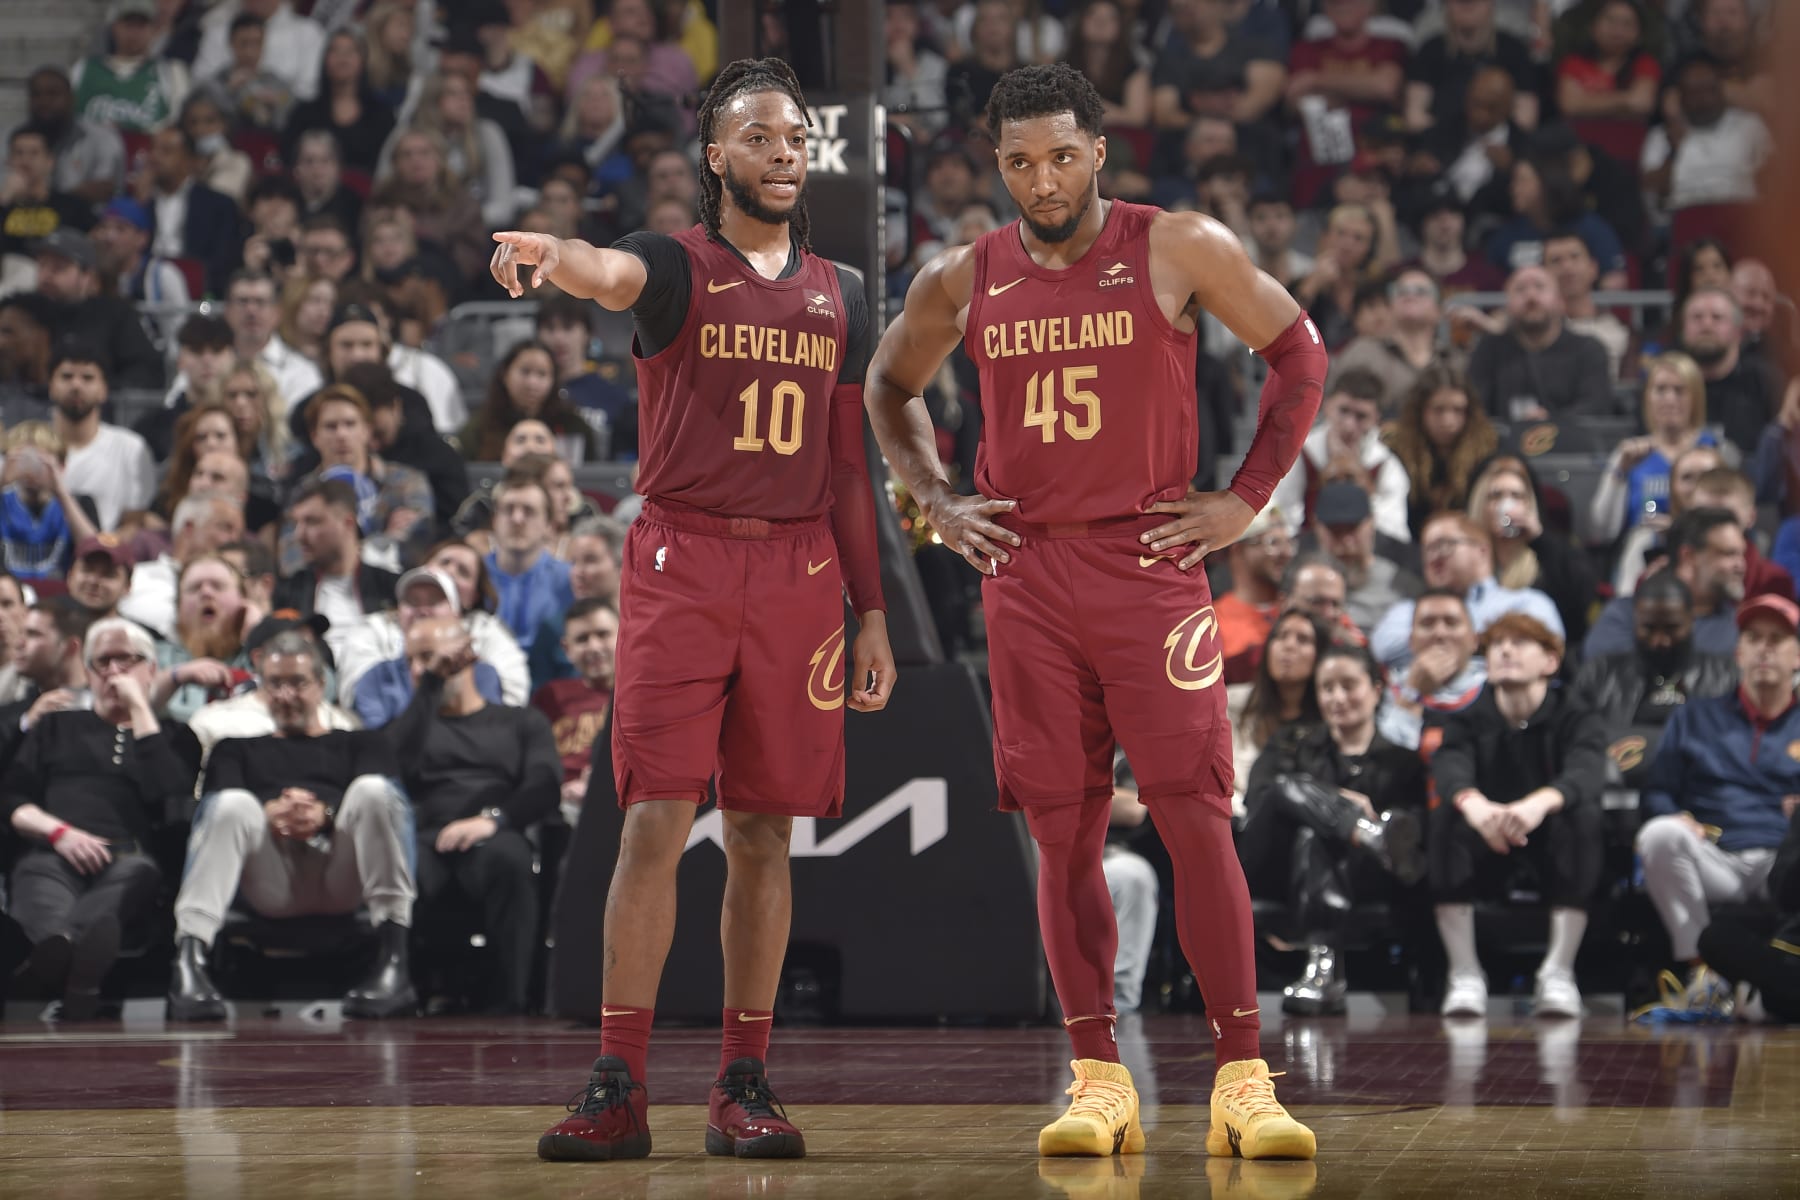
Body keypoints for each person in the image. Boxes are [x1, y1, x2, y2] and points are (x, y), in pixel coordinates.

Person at [862, 64, 1324, 1160]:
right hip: (1027, 578)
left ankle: (1242, 1079)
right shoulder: (963, 276)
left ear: (1099, 151)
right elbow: (887, 387)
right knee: (1062, 836)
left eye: (1061, 155)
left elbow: (1297, 352)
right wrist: (933, 502)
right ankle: (1098, 1075)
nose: (1042, 178)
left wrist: (1246, 501)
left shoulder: (1178, 244)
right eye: (1019, 160)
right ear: (997, 163)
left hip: (1151, 565)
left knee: (1195, 820)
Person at [489, 57, 894, 1163]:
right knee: (657, 819)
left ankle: (740, 1081)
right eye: (760, 138)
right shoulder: (678, 262)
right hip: (683, 561)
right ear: (718, 155)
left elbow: (851, 465)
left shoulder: (846, 291)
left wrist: (872, 610)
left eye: (795, 139)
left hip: (803, 573)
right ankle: (617, 1081)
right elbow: (606, 272)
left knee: (766, 833)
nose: (783, 154)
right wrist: (548, 253)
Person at [165, 631, 415, 1022]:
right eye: (275, 683)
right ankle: (189, 960)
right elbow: (216, 816)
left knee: (375, 792)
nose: (285, 695)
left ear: (321, 685)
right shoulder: (235, 748)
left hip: (341, 874)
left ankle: (394, 961)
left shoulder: (363, 743)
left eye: (297, 682)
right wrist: (271, 814)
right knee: (230, 804)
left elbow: (384, 811)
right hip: (270, 876)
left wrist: (324, 816)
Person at [3, 618, 200, 1019]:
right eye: (102, 662)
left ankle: (53, 971)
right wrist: (60, 833)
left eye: (125, 661)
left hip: (128, 859)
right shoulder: (56, 725)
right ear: (88, 672)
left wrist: (140, 709)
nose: (113, 672)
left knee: (135, 876)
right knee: (40, 889)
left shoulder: (175, 736)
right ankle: (79, 979)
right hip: (52, 851)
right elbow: (10, 798)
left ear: (152, 669)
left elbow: (173, 794)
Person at [1431, 613, 1608, 1019]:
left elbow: (1586, 770)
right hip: (1487, 838)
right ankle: (1464, 974)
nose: (1505, 650)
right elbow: (1450, 766)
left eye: (1520, 643)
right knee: (1445, 820)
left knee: (1584, 817)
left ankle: (1558, 972)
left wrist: (1536, 805)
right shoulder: (1467, 716)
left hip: (1547, 840)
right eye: (1496, 644)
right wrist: (1475, 806)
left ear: (1550, 661)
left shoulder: (1575, 713)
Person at [1240, 642, 1427, 1015]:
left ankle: (1323, 973)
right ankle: (1367, 832)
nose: (1337, 697)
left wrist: (1327, 820)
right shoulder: (1292, 742)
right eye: (1327, 688)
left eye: (1348, 685)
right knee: (1284, 787)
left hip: (1362, 875)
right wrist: (1340, 802)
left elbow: (1410, 834)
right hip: (1272, 863)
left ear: (1376, 690)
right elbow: (1259, 800)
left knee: (1315, 837)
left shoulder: (1401, 762)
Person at [388, 615, 559, 1015]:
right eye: (412, 661)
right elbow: (389, 768)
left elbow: (544, 786)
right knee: (398, 865)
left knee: (510, 858)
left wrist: (492, 820)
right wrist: (428, 687)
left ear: (467, 655)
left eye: (429, 657)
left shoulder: (521, 722)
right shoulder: (410, 727)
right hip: (425, 837)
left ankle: (511, 1002)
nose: (419, 669)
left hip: (493, 831)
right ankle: (404, 994)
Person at [1638, 594, 1798, 1002]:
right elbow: (1657, 790)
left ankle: (1785, 974)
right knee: (1659, 835)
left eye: (1777, 639)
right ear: (1738, 651)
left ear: (1797, 655)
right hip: (1716, 856)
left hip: (1784, 864)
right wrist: (1675, 816)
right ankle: (1703, 973)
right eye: (1753, 637)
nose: (1764, 648)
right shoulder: (1695, 717)